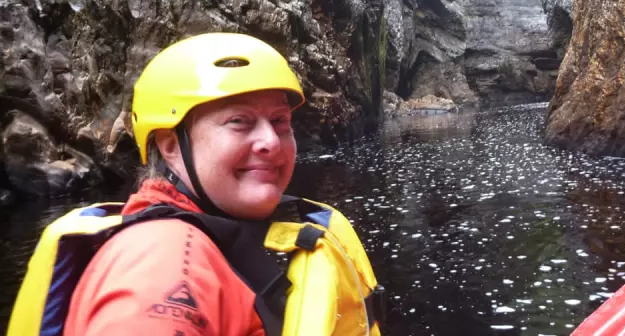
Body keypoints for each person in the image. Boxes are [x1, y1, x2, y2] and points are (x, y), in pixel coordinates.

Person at [8, 32, 384, 336]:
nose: (271, 141)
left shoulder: (222, 233)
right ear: (171, 146)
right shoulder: (160, 260)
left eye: (280, 121)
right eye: (239, 121)